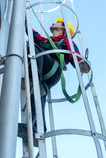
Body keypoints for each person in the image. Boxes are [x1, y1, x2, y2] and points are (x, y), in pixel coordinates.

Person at [18, 17, 90, 145]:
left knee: (34, 49)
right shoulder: (46, 41)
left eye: (58, 22)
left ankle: (31, 79)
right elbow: (34, 35)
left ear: (63, 28)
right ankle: (37, 129)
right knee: (38, 97)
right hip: (44, 74)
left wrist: (81, 63)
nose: (54, 22)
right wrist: (23, 20)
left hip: (53, 69)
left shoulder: (66, 41)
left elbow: (74, 54)